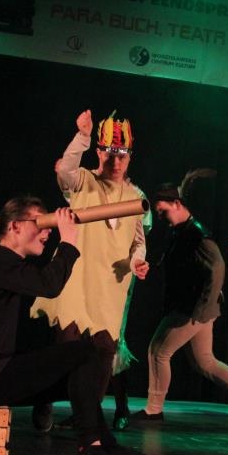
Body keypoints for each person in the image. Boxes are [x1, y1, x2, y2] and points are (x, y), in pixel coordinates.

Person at [0, 196, 148, 455]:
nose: (48, 232)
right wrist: (69, 240)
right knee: (85, 352)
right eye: (41, 223)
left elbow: (46, 282)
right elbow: (49, 285)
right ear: (15, 226)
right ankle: (89, 449)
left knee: (80, 374)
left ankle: (104, 444)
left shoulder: (2, 261)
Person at [30, 110, 151, 432]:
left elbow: (138, 242)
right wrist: (82, 136)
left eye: (122, 155)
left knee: (103, 353)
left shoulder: (135, 197)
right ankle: (46, 399)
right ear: (99, 152)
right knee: (66, 348)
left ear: (130, 157)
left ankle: (90, 422)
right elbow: (65, 171)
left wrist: (137, 261)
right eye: (110, 153)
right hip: (77, 278)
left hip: (110, 286)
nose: (116, 161)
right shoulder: (83, 181)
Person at [131, 171, 228, 428]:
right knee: (204, 361)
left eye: (163, 211)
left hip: (192, 308)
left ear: (177, 204)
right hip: (195, 306)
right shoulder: (180, 231)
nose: (161, 217)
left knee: (158, 351)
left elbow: (217, 268)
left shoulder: (196, 234)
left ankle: (154, 410)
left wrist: (202, 307)